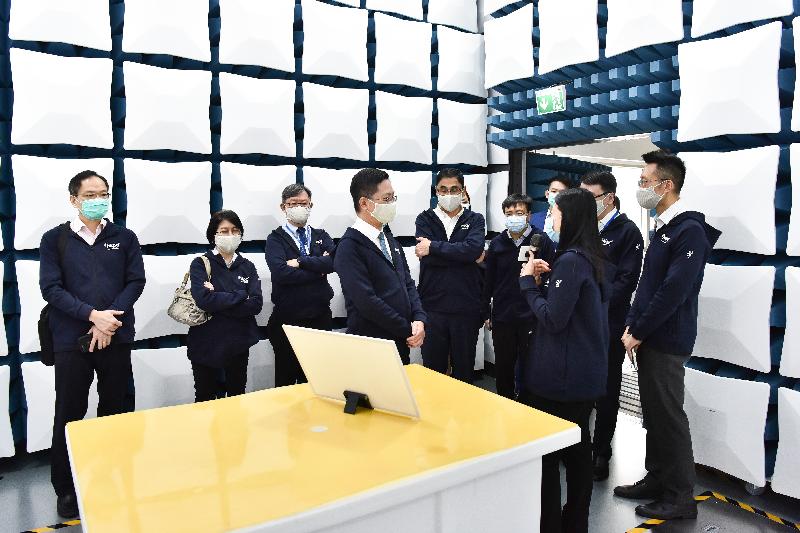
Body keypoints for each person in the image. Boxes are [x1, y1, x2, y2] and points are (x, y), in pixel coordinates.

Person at [616, 151, 721, 520]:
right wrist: (632, 325)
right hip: (648, 336)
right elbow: (647, 286)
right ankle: (657, 477)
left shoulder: (689, 230)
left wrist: (640, 330)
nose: (641, 187)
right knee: (654, 415)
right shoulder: (663, 229)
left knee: (668, 417)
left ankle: (680, 496)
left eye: (644, 181)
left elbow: (674, 291)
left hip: (666, 339)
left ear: (667, 185)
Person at [39, 170, 146, 519]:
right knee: (69, 414)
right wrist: (92, 316)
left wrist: (108, 320)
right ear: (74, 199)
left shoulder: (124, 237)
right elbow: (51, 289)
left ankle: (111, 477)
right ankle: (67, 488)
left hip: (114, 335)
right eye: (90, 194)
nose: (98, 199)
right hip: (72, 341)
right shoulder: (54, 240)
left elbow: (135, 281)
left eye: (103, 193)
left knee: (115, 411)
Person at [518, 188, 612, 533]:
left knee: (549, 459)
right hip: (583, 375)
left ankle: (550, 526)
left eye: (554, 214)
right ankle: (575, 524)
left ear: (569, 217)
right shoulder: (590, 257)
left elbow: (554, 320)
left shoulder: (571, 261)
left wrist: (528, 284)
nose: (550, 220)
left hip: (560, 380)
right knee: (578, 454)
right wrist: (547, 283)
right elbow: (571, 312)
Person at [579, 171, 644, 481]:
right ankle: (578, 447)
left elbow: (627, 280)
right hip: (580, 325)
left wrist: (594, 302)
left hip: (608, 324)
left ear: (609, 198)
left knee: (606, 392)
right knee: (580, 390)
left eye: (589, 198)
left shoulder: (628, 233)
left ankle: (601, 452)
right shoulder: (582, 229)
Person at [334, 168, 426, 363]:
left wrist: (419, 318)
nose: (392, 204)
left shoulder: (389, 239)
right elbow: (366, 302)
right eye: (386, 199)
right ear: (364, 203)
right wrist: (407, 328)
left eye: (393, 198)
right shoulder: (349, 247)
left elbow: (407, 282)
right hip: (371, 347)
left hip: (399, 342)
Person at [482, 193, 555, 398]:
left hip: (532, 315)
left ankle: (529, 406)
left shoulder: (542, 241)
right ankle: (504, 403)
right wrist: (485, 311)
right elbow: (489, 280)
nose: (514, 217)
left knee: (531, 366)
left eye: (519, 212)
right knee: (504, 366)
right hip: (503, 316)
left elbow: (551, 277)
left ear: (529, 216)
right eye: (509, 213)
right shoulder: (497, 243)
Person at [415, 169, 485, 382]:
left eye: (454, 189)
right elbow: (426, 258)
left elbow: (473, 249)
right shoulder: (425, 219)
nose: (448, 194)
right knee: (433, 373)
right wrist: (462, 254)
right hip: (433, 308)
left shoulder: (475, 219)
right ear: (436, 191)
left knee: (464, 374)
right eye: (443, 189)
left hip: (466, 309)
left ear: (463, 191)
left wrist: (434, 247)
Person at [188, 210, 263, 402]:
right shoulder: (200, 264)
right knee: (204, 398)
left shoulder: (248, 266)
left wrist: (217, 298)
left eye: (235, 230)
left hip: (238, 343)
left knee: (237, 397)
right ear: (214, 234)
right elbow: (203, 301)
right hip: (205, 343)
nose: (230, 235)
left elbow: (256, 304)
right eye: (224, 231)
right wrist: (240, 295)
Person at [265, 184, 335, 387]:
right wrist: (318, 268)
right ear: (283, 207)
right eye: (293, 204)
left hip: (320, 318)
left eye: (303, 203)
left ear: (311, 205)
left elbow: (334, 262)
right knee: (286, 383)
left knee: (316, 381)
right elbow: (281, 273)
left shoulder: (321, 235)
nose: (298, 207)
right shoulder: (275, 239)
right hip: (288, 320)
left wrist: (302, 262)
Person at [531, 174, 572, 243]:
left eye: (562, 192)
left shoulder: (575, 221)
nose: (557, 195)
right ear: (547, 194)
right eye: (554, 191)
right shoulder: (533, 219)